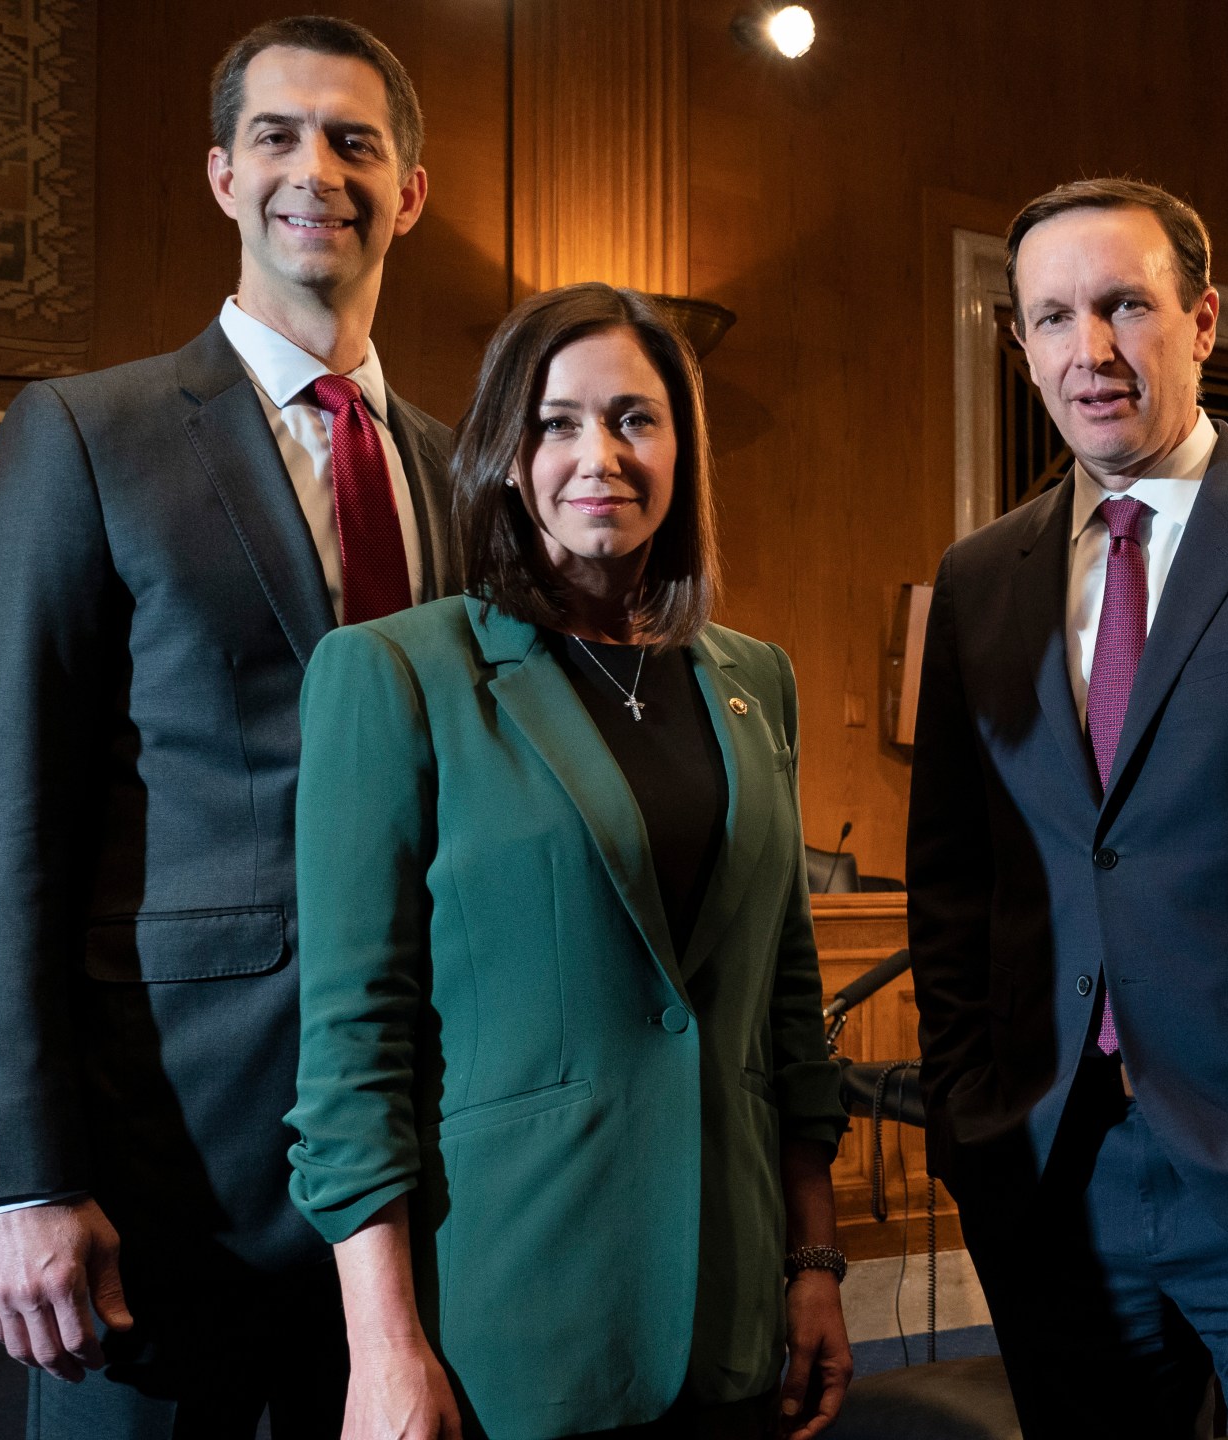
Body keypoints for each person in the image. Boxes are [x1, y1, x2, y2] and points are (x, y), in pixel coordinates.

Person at [0, 16, 453, 1435]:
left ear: (408, 191)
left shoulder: (462, 474)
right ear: (224, 177)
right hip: (169, 1175)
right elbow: (2, 824)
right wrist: (19, 1175)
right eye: (278, 136)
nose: (316, 170)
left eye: (356, 141)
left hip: (428, 1156)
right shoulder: (85, 435)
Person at [907, 178, 1228, 1437]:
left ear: (1201, 321)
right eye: (1050, 317)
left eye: (1123, 306)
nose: (1089, 351)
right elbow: (953, 883)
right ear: (1020, 344)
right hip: (1051, 1176)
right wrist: (969, 1118)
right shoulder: (981, 579)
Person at [284, 281, 851, 1440]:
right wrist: (382, 1347)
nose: (599, 454)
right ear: (502, 451)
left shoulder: (757, 678)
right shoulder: (393, 673)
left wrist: (814, 1258)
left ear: (682, 452)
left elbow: (787, 1003)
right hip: (513, 1318)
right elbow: (354, 1038)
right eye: (556, 422)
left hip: (732, 1311)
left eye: (636, 419)